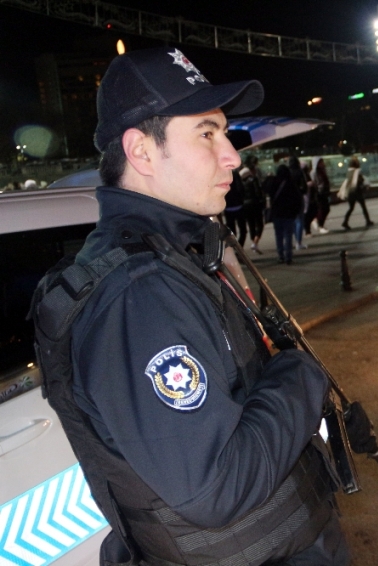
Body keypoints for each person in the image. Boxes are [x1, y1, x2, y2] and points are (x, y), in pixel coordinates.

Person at [31, 47, 350, 565]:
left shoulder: (178, 254)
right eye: (207, 133)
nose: (233, 155)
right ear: (142, 152)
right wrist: (299, 374)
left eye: (224, 133)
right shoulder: (140, 294)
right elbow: (214, 489)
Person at [266, 164, 304, 264]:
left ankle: (280, 255)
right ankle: (288, 256)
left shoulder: (273, 182)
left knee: (278, 235)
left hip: (277, 214)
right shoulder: (291, 184)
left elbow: (265, 190)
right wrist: (296, 212)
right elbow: (298, 199)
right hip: (289, 214)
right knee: (288, 235)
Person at [240, 154, 266, 254]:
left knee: (251, 224)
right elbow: (258, 192)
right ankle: (255, 243)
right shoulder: (254, 180)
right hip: (255, 204)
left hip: (245, 205)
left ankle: (254, 243)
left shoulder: (242, 181)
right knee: (260, 224)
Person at [340, 156, 373, 230]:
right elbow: (360, 181)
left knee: (351, 208)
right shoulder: (357, 172)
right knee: (363, 207)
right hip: (357, 192)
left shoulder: (349, 172)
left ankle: (345, 222)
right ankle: (368, 221)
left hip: (351, 193)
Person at [223, 165, 248, 246]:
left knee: (231, 231)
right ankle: (239, 247)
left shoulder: (223, 177)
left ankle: (233, 247)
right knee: (243, 230)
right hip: (238, 206)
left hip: (228, 207)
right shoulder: (235, 175)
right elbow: (241, 189)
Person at [288, 156, 309, 248]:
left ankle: (294, 240)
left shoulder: (288, 172)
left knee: (292, 220)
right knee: (300, 220)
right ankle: (298, 242)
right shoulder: (300, 172)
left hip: (288, 199)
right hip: (298, 197)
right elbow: (304, 186)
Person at [312, 157, 331, 234]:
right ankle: (320, 225)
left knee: (326, 209)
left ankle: (318, 222)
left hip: (325, 192)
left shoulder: (322, 171)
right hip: (319, 193)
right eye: (320, 162)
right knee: (322, 209)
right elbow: (315, 182)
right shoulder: (314, 172)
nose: (322, 164)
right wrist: (318, 189)